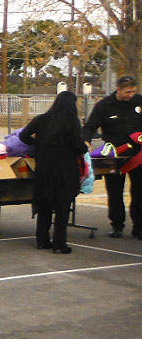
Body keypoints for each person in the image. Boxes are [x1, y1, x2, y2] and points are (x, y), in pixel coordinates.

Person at [20, 91, 89, 254]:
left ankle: (42, 240)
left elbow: (23, 136)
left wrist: (38, 144)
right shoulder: (72, 122)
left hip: (43, 169)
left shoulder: (41, 119)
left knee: (44, 205)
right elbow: (78, 146)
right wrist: (85, 147)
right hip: (65, 170)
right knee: (62, 207)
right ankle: (59, 243)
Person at [83, 75, 142, 240]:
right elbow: (90, 126)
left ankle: (139, 227)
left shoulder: (140, 102)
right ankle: (117, 225)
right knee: (115, 192)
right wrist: (86, 140)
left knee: (139, 193)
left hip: (138, 155)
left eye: (133, 91)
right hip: (114, 155)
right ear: (118, 88)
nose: (130, 94)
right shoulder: (104, 106)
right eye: (127, 91)